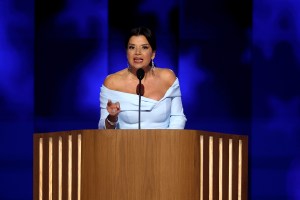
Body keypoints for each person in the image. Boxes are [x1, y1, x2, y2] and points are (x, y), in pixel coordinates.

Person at [98, 26, 187, 129]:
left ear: (153, 54)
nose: (137, 52)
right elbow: (102, 129)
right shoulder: (112, 83)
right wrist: (112, 118)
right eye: (132, 47)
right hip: (124, 144)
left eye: (144, 47)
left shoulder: (168, 78)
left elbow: (178, 118)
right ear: (126, 52)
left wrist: (168, 143)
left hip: (164, 143)